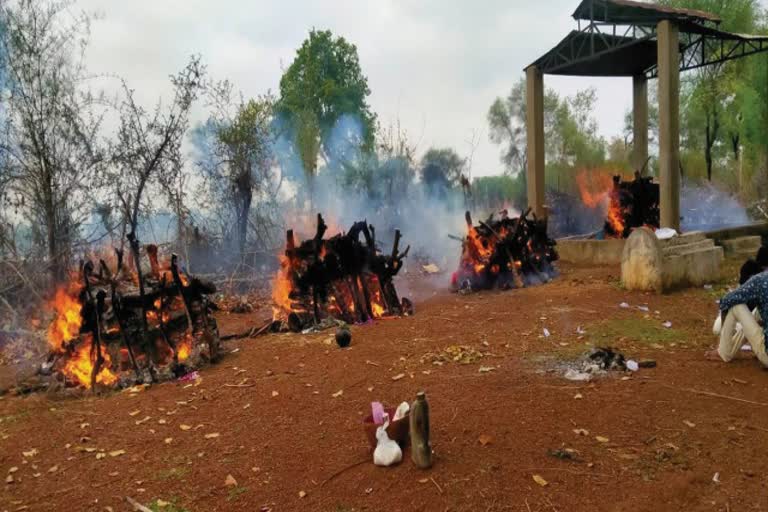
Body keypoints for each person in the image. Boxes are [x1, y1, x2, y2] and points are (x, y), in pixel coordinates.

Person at [713, 271, 768, 367]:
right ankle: (728, 350)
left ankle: (723, 353)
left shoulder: (761, 280)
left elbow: (727, 300)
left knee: (736, 306)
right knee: (758, 313)